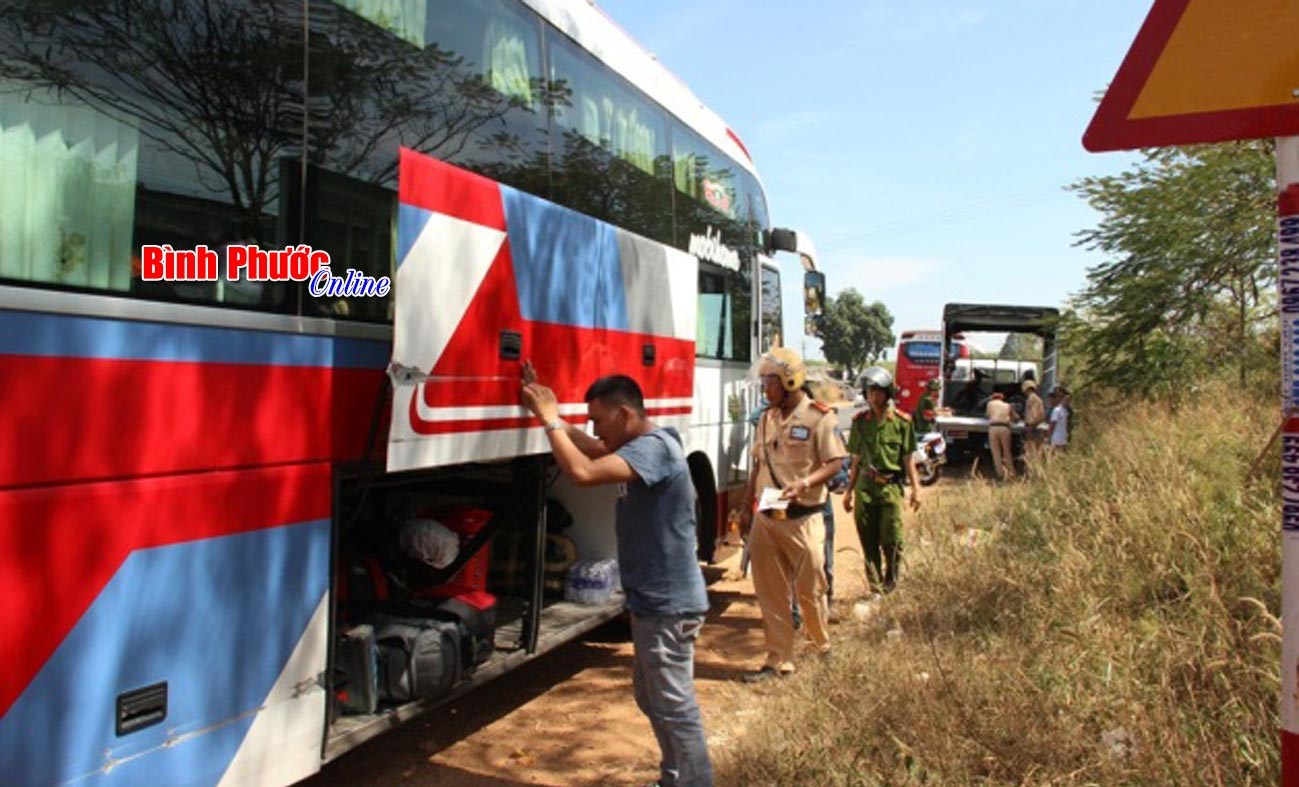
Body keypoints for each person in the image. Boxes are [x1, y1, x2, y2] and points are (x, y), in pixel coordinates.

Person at [520, 362, 712, 787]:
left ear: (626, 414)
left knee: (675, 708)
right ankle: (675, 778)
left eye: (599, 420)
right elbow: (594, 452)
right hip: (653, 603)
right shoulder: (642, 447)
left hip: (668, 606)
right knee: (653, 699)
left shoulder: (655, 448)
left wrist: (551, 420)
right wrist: (550, 413)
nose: (595, 429)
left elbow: (583, 472)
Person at [739, 348, 846, 682]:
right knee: (770, 593)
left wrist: (806, 483)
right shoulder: (766, 419)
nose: (764, 389)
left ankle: (819, 650)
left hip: (805, 517)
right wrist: (745, 507)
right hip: (767, 517)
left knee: (811, 590)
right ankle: (777, 660)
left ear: (790, 380)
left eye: (768, 382)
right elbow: (757, 465)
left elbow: (835, 462)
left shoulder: (819, 416)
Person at [844, 367, 921, 597]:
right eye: (869, 393)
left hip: (890, 488)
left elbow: (908, 459)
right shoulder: (859, 423)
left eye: (878, 392)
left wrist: (916, 489)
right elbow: (855, 460)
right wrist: (848, 492)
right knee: (868, 541)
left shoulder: (902, 422)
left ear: (888, 394)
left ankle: (892, 582)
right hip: (865, 489)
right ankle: (876, 588)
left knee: (893, 540)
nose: (873, 397)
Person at [985, 392, 1016, 479]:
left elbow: (987, 415)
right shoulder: (1007, 405)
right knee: (1007, 451)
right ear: (1002, 399)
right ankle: (1011, 472)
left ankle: (1001, 473)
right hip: (1004, 428)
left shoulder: (989, 404)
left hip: (993, 428)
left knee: (996, 452)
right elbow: (1014, 418)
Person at [1021, 379, 1046, 461]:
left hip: (1032, 427)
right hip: (1034, 426)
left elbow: (1034, 414)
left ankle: (1031, 469)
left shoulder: (1032, 399)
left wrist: (1030, 425)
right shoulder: (1037, 399)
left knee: (1031, 450)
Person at [1049, 386, 1071, 451]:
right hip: (1057, 437)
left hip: (1062, 437)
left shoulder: (1065, 411)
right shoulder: (1057, 410)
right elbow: (1052, 423)